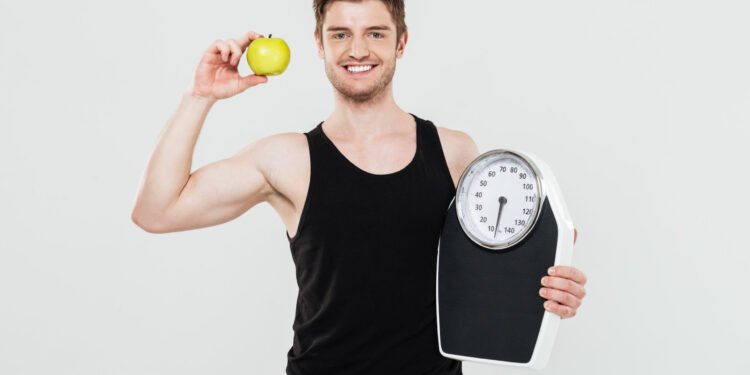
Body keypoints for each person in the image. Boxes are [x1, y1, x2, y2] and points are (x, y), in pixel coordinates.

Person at [131, 0, 588, 373]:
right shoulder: (287, 160)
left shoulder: (455, 153)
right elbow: (157, 211)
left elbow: (487, 272)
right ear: (319, 43)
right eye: (340, 33)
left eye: (375, 32)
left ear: (401, 42)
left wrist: (547, 293)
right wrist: (200, 96)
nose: (357, 49)